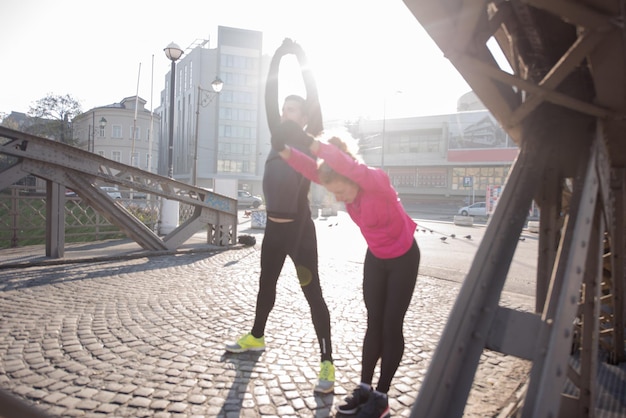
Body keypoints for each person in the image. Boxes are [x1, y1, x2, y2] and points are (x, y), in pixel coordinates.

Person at [272, 128, 420, 417]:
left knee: (391, 325)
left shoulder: (376, 181)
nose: (339, 199)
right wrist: (285, 150)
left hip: (403, 258)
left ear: (351, 177)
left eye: (340, 191)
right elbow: (311, 170)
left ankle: (382, 397)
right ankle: (364, 389)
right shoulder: (341, 182)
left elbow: (348, 166)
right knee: (373, 323)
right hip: (376, 258)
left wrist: (313, 143)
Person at [225, 39, 335, 395]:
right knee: (265, 285)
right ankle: (256, 337)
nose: (287, 111)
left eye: (294, 109)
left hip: (299, 232)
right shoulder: (277, 135)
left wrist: (301, 57)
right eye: (285, 108)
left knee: (312, 294)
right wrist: (277, 57)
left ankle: (327, 362)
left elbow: (313, 92)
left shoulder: (307, 138)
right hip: (273, 229)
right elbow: (268, 94)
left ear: (304, 117)